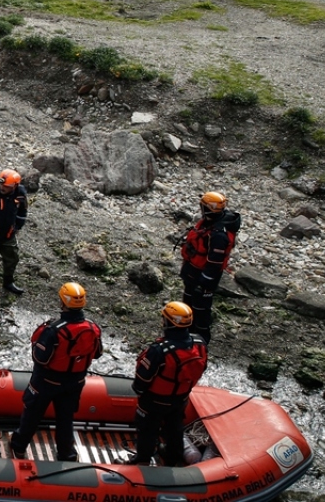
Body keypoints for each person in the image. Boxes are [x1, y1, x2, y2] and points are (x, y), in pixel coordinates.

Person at [9, 283, 103, 461]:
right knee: (65, 419)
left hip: (46, 382)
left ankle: (19, 447)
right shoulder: (93, 328)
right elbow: (97, 354)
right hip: (75, 383)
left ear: (62, 302)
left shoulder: (53, 330)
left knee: (32, 415)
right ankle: (66, 453)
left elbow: (40, 358)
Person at [128, 302, 208, 467]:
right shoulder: (200, 343)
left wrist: (139, 391)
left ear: (168, 322)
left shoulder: (159, 350)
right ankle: (173, 456)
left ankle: (142, 459)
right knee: (174, 428)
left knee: (147, 429)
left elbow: (143, 378)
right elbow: (202, 367)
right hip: (180, 398)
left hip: (154, 400)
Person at [179, 191, 241, 344]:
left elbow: (214, 264)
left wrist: (204, 283)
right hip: (192, 271)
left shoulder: (219, 235)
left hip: (203, 277)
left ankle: (201, 341)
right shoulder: (209, 223)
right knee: (188, 303)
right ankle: (186, 333)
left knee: (200, 309)